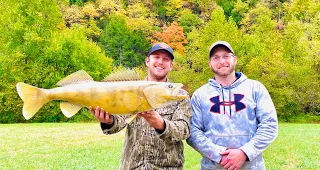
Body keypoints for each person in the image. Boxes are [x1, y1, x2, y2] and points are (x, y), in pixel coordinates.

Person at [90, 42, 192, 170]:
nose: (160, 62)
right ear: (147, 61)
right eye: (156, 57)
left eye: (166, 59)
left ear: (171, 66)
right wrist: (109, 121)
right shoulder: (129, 88)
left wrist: (161, 124)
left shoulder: (180, 95)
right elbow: (119, 122)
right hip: (132, 166)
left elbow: (184, 130)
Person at [186, 41, 278, 170]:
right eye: (216, 58)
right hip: (212, 167)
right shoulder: (199, 95)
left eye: (226, 56)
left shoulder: (255, 88)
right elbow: (192, 132)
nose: (222, 61)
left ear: (235, 59)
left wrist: (244, 152)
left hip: (252, 167)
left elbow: (270, 125)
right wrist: (219, 154)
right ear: (210, 63)